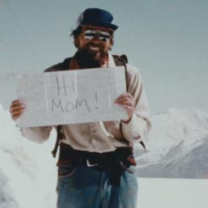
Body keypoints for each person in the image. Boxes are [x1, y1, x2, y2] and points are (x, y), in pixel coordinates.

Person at [10, 8, 151, 208]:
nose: (96, 40)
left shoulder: (128, 74)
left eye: (104, 35)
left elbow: (141, 132)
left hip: (120, 172)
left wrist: (129, 118)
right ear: (77, 38)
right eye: (89, 33)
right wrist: (24, 118)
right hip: (76, 173)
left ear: (110, 41)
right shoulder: (54, 77)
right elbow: (39, 136)